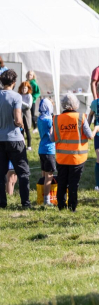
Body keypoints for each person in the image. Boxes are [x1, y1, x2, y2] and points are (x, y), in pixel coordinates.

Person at [51, 93, 94, 212]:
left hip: (62, 158)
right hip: (77, 158)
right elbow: (90, 135)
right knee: (73, 183)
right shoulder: (81, 117)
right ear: (75, 104)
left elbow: (52, 138)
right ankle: (72, 206)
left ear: (63, 105)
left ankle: (61, 205)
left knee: (62, 182)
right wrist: (96, 129)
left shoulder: (57, 119)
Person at [0, 69, 30, 209]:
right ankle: (25, 202)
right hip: (14, 138)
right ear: (14, 82)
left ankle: (2, 202)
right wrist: (21, 124)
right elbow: (18, 119)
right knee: (23, 172)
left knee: (1, 173)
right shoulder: (16, 97)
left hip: (0, 139)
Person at [36, 98, 56, 206]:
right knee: (49, 176)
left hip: (41, 149)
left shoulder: (40, 118)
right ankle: (47, 200)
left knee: (44, 173)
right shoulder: (49, 120)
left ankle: (41, 195)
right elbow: (53, 135)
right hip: (49, 149)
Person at [18, 82, 33, 151]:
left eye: (25, 88)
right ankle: (22, 145)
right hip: (20, 113)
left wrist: (21, 102)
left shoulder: (29, 96)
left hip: (27, 113)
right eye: (23, 88)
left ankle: (29, 146)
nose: (24, 89)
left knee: (27, 130)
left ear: (28, 89)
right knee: (21, 130)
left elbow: (29, 106)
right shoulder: (19, 95)